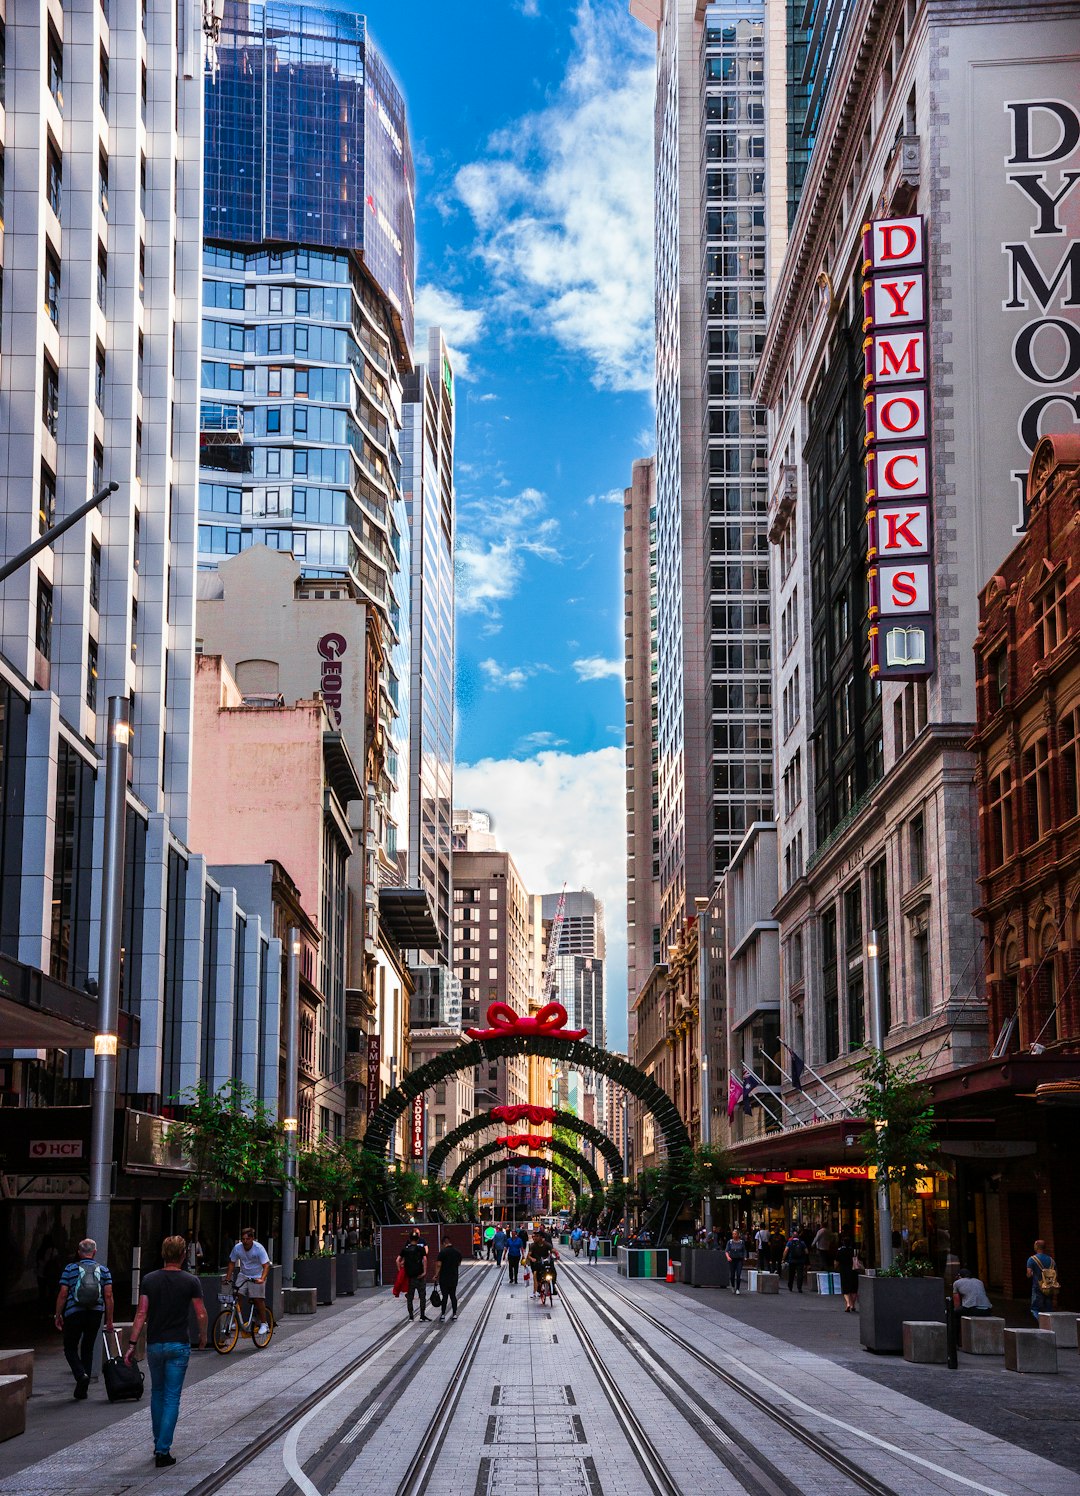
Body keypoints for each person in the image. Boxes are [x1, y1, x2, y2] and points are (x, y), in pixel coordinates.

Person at [124, 1235, 207, 1468]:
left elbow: (141, 1313)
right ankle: (163, 1449)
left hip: (155, 1345)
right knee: (172, 1397)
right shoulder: (191, 1281)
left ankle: (157, 1442)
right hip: (178, 1344)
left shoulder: (150, 1280)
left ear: (163, 1253)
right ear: (183, 1255)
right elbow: (200, 1313)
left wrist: (131, 1345)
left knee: (157, 1393)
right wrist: (203, 1335)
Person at [55, 1238, 115, 1400]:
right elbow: (108, 1295)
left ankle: (81, 1375)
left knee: (70, 1347)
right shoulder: (104, 1270)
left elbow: (63, 1293)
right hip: (95, 1313)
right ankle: (84, 1389)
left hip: (74, 1313)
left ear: (79, 1252)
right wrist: (109, 1320)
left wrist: (58, 1314)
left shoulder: (70, 1269)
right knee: (88, 1347)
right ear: (94, 1252)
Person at [224, 1226, 270, 1329]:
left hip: (257, 1275)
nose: (245, 1241)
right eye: (243, 1239)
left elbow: (266, 1265)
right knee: (237, 1295)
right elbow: (231, 1262)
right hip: (244, 1274)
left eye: (247, 1239)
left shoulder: (259, 1248)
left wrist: (262, 1278)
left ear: (252, 1239)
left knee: (258, 1299)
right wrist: (227, 1278)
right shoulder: (237, 1248)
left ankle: (264, 1323)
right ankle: (236, 1320)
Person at [397, 1229, 429, 1321]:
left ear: (409, 1239)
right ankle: (422, 1316)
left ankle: (411, 1316)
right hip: (420, 1277)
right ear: (418, 1239)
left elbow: (397, 1260)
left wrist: (401, 1272)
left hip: (409, 1277)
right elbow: (425, 1260)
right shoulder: (421, 1249)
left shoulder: (405, 1250)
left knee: (410, 1297)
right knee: (422, 1296)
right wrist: (424, 1272)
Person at [1027, 1239, 1057, 1323]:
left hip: (1038, 1287)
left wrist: (1033, 1273)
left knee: (1035, 1308)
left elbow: (1029, 1274)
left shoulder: (1032, 1259)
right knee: (1048, 1309)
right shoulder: (1051, 1260)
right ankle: (1050, 1325)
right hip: (1049, 1287)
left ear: (1036, 1247)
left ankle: (1042, 1324)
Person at [434, 1238, 462, 1322]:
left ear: (443, 1243)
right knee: (453, 1296)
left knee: (445, 1296)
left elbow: (439, 1265)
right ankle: (454, 1314)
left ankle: (443, 1315)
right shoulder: (457, 1252)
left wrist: (436, 1275)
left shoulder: (442, 1252)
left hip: (444, 1278)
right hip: (453, 1277)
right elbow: (459, 1263)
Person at [835, 1235, 860, 1313]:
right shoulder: (854, 1251)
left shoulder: (840, 1251)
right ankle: (853, 1305)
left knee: (845, 1288)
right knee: (854, 1288)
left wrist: (836, 1268)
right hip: (853, 1271)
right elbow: (858, 1261)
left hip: (844, 1270)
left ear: (843, 1242)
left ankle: (848, 1304)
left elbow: (836, 1262)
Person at [725, 1228, 747, 1295]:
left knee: (738, 1274)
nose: (734, 1235)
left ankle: (737, 1288)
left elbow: (744, 1250)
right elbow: (726, 1251)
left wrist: (745, 1256)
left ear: (738, 1235)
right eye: (733, 1234)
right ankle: (733, 1286)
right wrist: (728, 1257)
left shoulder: (741, 1242)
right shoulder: (730, 1242)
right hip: (732, 1259)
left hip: (739, 1259)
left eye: (735, 1234)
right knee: (732, 1275)